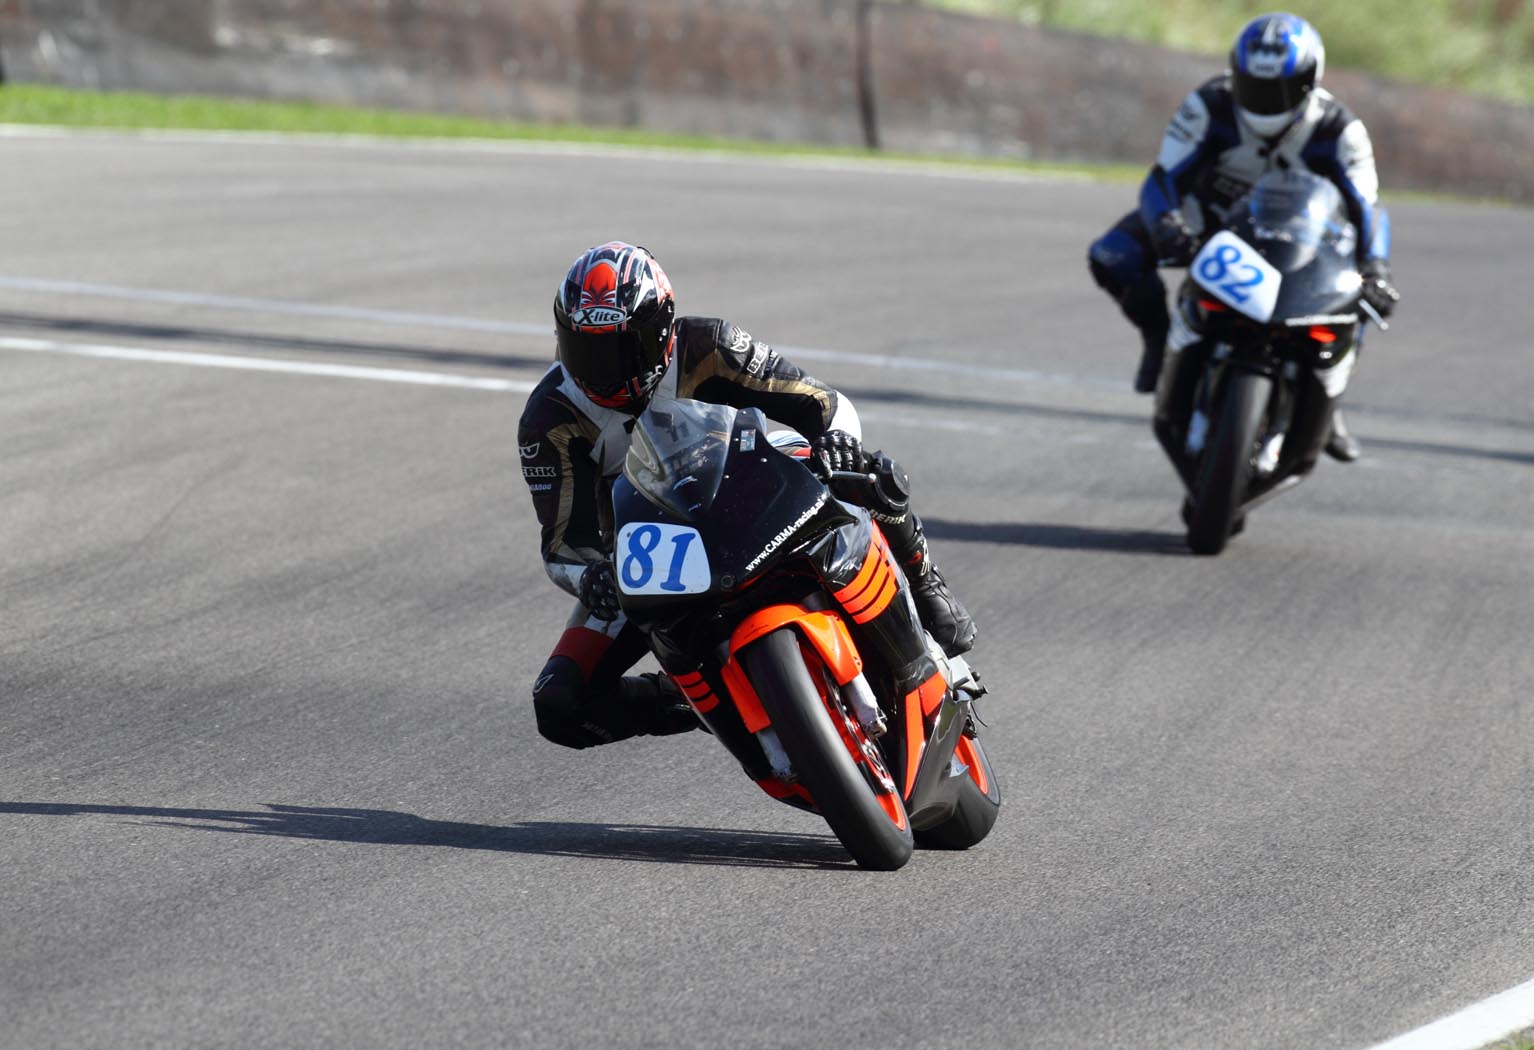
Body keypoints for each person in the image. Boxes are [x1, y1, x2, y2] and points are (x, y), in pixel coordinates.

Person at [517, 241, 976, 750]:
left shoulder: (708, 344)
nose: (602, 370)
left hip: (750, 490)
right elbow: (563, 545)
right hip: (655, 557)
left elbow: (823, 405)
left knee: (865, 469)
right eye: (587, 349)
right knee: (560, 703)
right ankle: (698, 701)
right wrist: (592, 577)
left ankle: (924, 579)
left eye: (622, 347)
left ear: (663, 329)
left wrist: (838, 444)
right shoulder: (550, 421)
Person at [1087, 11, 1399, 461]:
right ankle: (1159, 340)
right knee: (1113, 255)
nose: (1265, 101)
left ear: (1309, 81)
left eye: (1279, 90)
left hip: (1303, 242)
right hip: (1210, 220)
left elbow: (1367, 207)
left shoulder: (1339, 129)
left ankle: (1328, 402)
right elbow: (1162, 179)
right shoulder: (1209, 104)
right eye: (1254, 86)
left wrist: (1376, 267)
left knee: (1359, 296)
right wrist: (1167, 225)